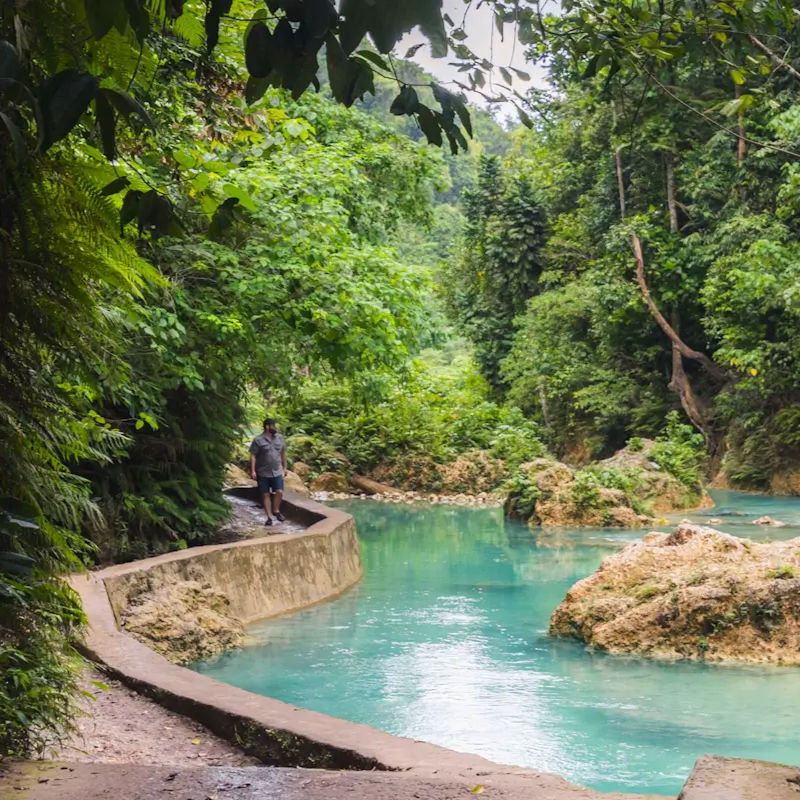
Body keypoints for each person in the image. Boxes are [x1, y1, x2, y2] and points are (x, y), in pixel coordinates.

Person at [249, 417, 287, 526]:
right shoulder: (258, 440)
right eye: (273, 426)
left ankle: (276, 510)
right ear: (267, 427)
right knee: (265, 494)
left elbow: (283, 453)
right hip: (262, 472)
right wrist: (253, 471)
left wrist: (285, 468)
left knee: (279, 492)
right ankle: (269, 517)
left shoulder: (280, 438)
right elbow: (253, 455)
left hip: (277, 471)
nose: (275, 428)